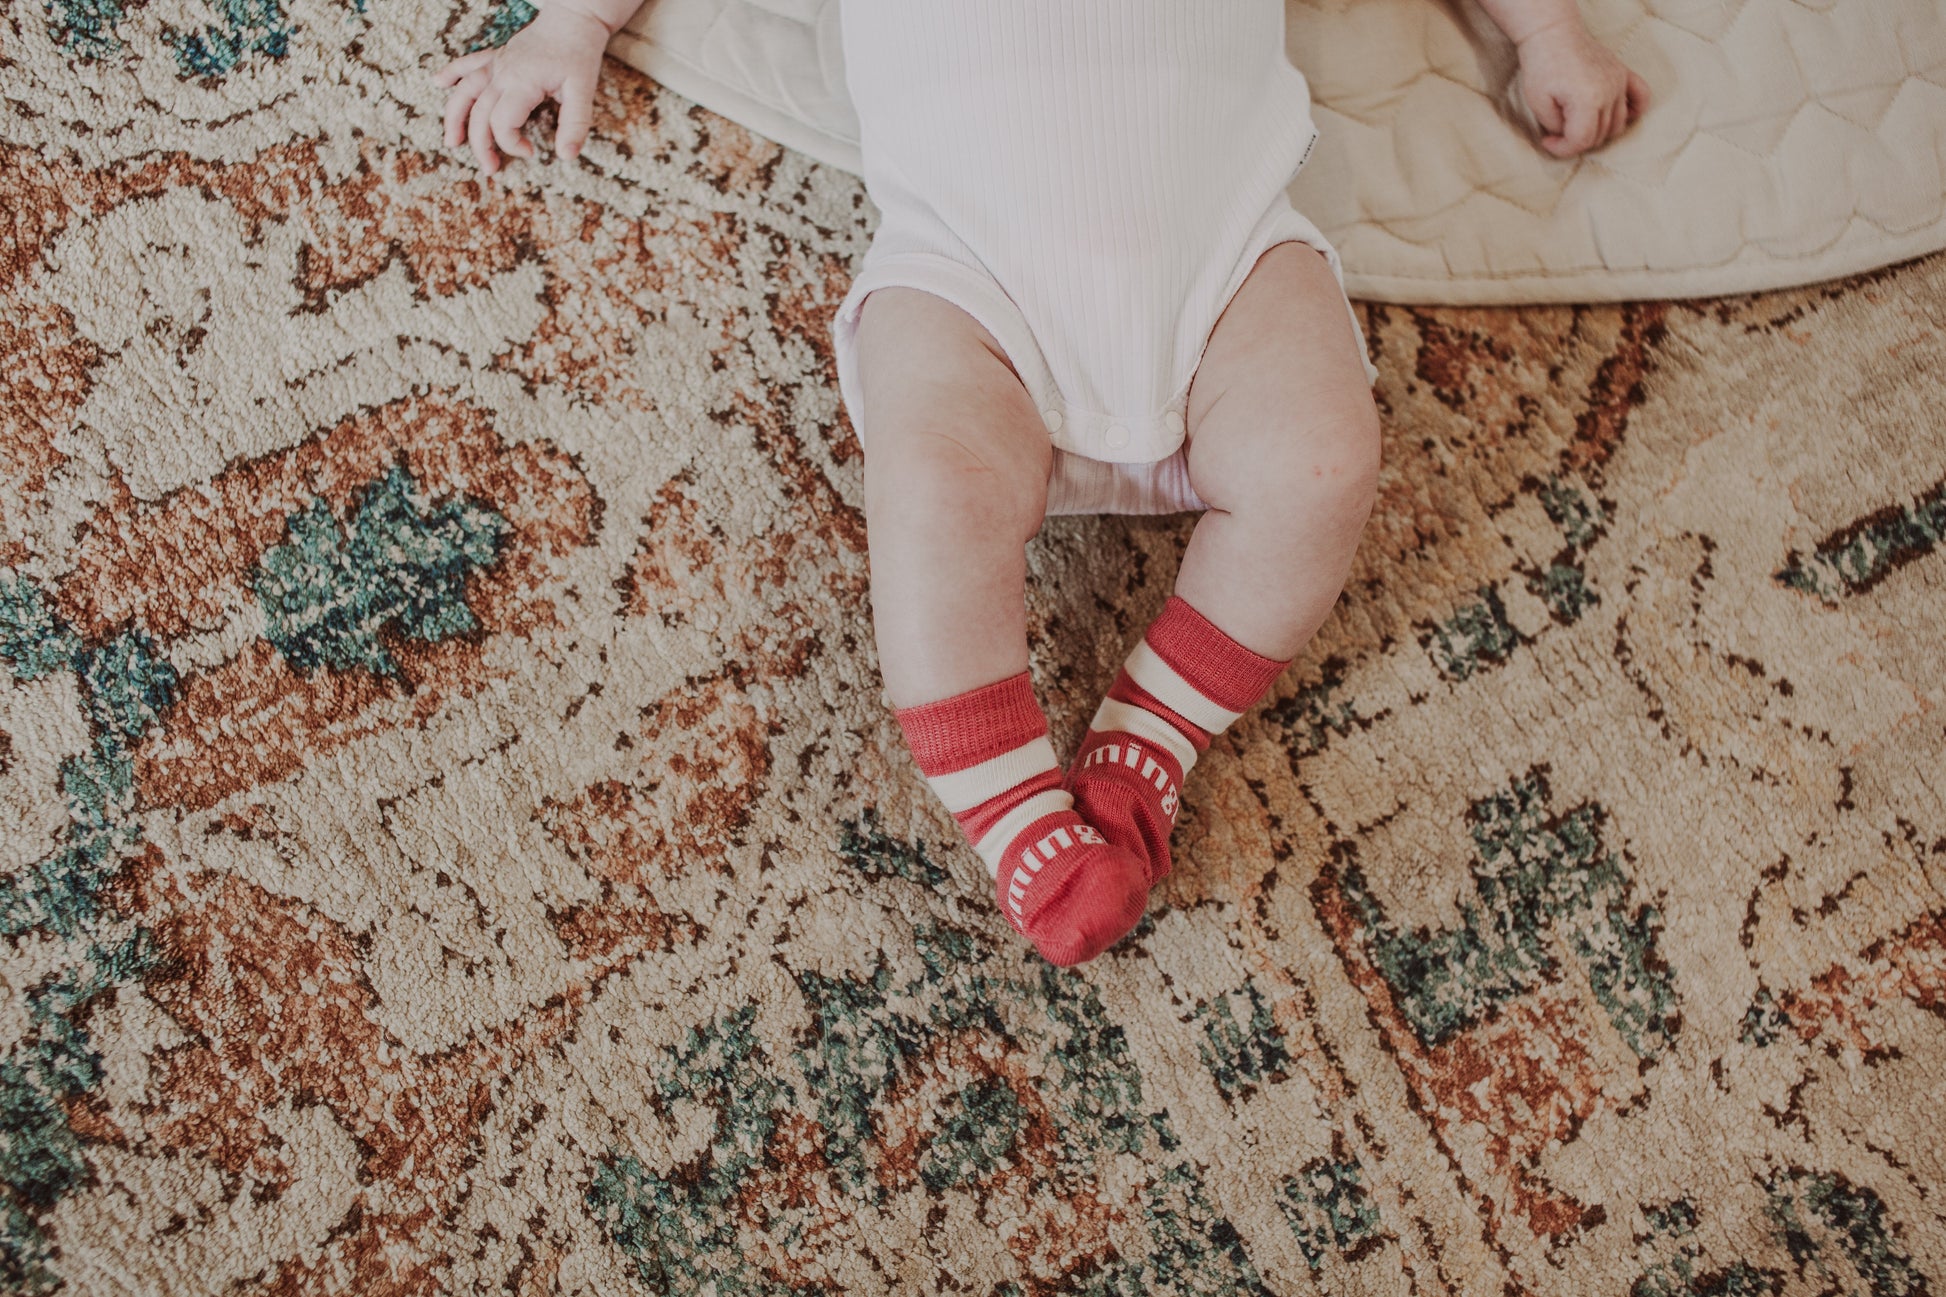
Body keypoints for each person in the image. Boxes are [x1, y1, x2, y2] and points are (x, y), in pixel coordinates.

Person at [436, 0, 1648, 966]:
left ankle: (1149, 735)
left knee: (1322, 458)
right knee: (934, 484)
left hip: (1222, 256)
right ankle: (1012, 810)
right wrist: (570, 28)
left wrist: (1543, 32)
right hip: (972, 275)